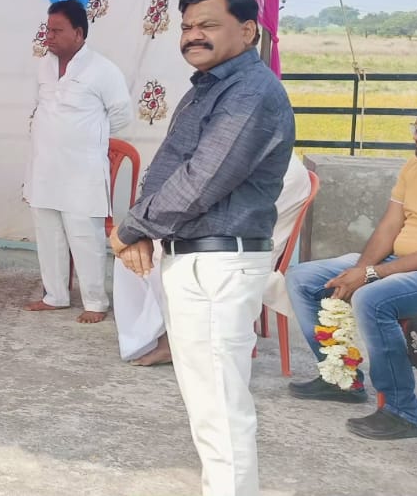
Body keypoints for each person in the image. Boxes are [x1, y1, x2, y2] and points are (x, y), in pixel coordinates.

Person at [108, 0, 294, 496]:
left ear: (248, 31)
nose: (193, 35)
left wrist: (131, 228)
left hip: (219, 262)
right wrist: (143, 228)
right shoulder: (208, 88)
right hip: (194, 257)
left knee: (220, 407)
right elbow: (167, 167)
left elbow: (203, 179)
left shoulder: (252, 93)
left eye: (208, 25)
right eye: (187, 26)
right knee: (207, 402)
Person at [285, 89, 417, 440]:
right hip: (397, 262)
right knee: (302, 277)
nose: (416, 136)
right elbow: (389, 226)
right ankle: (342, 377)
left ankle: (403, 412)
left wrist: (370, 276)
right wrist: (360, 271)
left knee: (372, 298)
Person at [117, 153, 312, 367]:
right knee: (131, 251)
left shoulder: (279, 167)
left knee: (153, 255)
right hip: (222, 238)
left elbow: (224, 212)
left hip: (243, 251)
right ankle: (148, 336)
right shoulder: (267, 156)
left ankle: (167, 339)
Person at [23, 0, 131, 324]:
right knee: (48, 234)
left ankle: (95, 302)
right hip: (44, 167)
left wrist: (86, 138)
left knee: (85, 237)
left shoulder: (103, 69)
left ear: (79, 33)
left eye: (56, 31)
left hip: (82, 172)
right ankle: (54, 296)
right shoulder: (43, 66)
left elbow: (122, 115)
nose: (48, 36)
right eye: (47, 29)